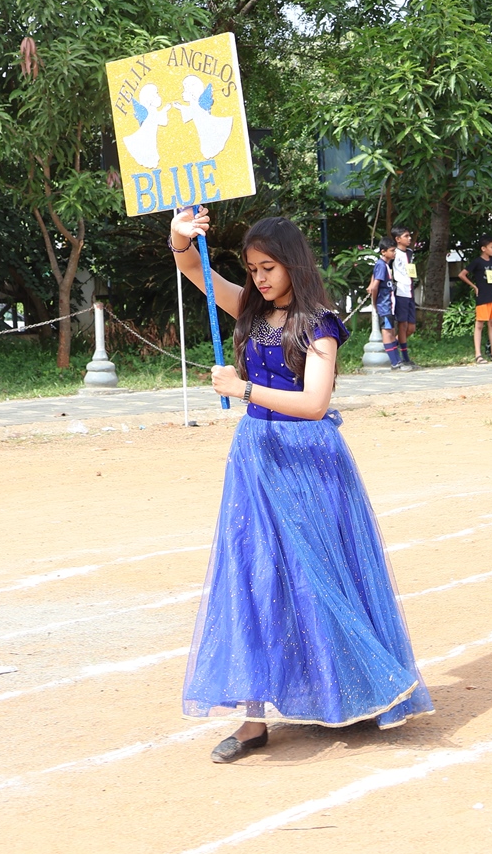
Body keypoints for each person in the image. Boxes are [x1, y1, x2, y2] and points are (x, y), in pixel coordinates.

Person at [167, 208, 434, 762]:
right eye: (252, 268)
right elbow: (193, 269)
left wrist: (242, 390)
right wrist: (179, 234)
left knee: (320, 576)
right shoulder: (246, 308)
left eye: (269, 267)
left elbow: (315, 404)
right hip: (255, 459)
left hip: (307, 460)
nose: (260, 278)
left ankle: (355, 689)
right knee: (254, 577)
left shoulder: (318, 322)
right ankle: (252, 717)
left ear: (292, 264)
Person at [458, 236, 492, 363]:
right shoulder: (477, 262)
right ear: (483, 248)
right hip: (482, 296)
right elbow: (462, 274)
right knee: (480, 324)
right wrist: (473, 286)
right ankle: (478, 354)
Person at [368, 237, 402, 369]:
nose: (394, 253)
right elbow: (375, 286)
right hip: (384, 304)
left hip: (390, 304)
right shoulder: (381, 265)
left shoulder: (386, 265)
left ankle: (397, 360)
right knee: (387, 333)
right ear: (383, 251)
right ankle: (395, 362)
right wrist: (375, 302)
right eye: (392, 250)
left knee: (392, 332)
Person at [391, 226, 419, 369]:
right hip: (400, 292)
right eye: (406, 236)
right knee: (402, 325)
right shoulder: (393, 253)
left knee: (411, 328)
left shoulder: (409, 252)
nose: (409, 239)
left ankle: (392, 347)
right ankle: (405, 357)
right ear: (398, 239)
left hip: (409, 291)